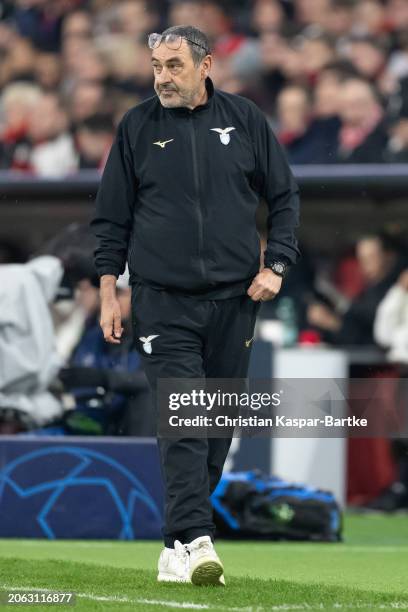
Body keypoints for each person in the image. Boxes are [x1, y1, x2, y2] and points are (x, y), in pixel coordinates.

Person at [91, 25, 300, 586]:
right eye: (156, 66)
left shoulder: (246, 119)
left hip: (236, 300)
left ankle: (174, 545)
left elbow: (283, 197)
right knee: (185, 419)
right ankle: (200, 540)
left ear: (206, 65)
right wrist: (109, 293)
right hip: (162, 303)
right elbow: (111, 220)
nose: (162, 77)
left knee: (216, 432)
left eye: (174, 66)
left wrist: (276, 265)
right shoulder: (136, 127)